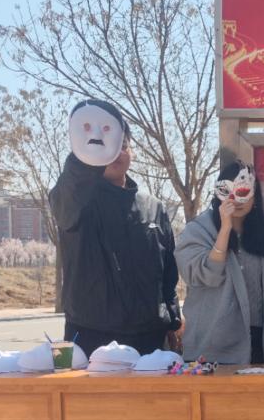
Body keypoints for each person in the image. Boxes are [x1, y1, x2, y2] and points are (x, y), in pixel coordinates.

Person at [50, 99, 181, 355]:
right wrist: (87, 154)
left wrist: (173, 320)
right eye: (110, 146)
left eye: (123, 146)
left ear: (132, 152)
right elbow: (68, 193)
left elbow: (168, 274)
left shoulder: (154, 207)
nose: (116, 154)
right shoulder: (77, 202)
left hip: (149, 337)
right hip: (90, 335)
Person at [176, 161, 264, 364]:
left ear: (255, 196)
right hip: (212, 345)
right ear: (217, 192)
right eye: (227, 191)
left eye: (243, 191)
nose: (235, 199)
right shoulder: (198, 231)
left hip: (258, 340)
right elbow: (206, 276)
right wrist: (224, 230)